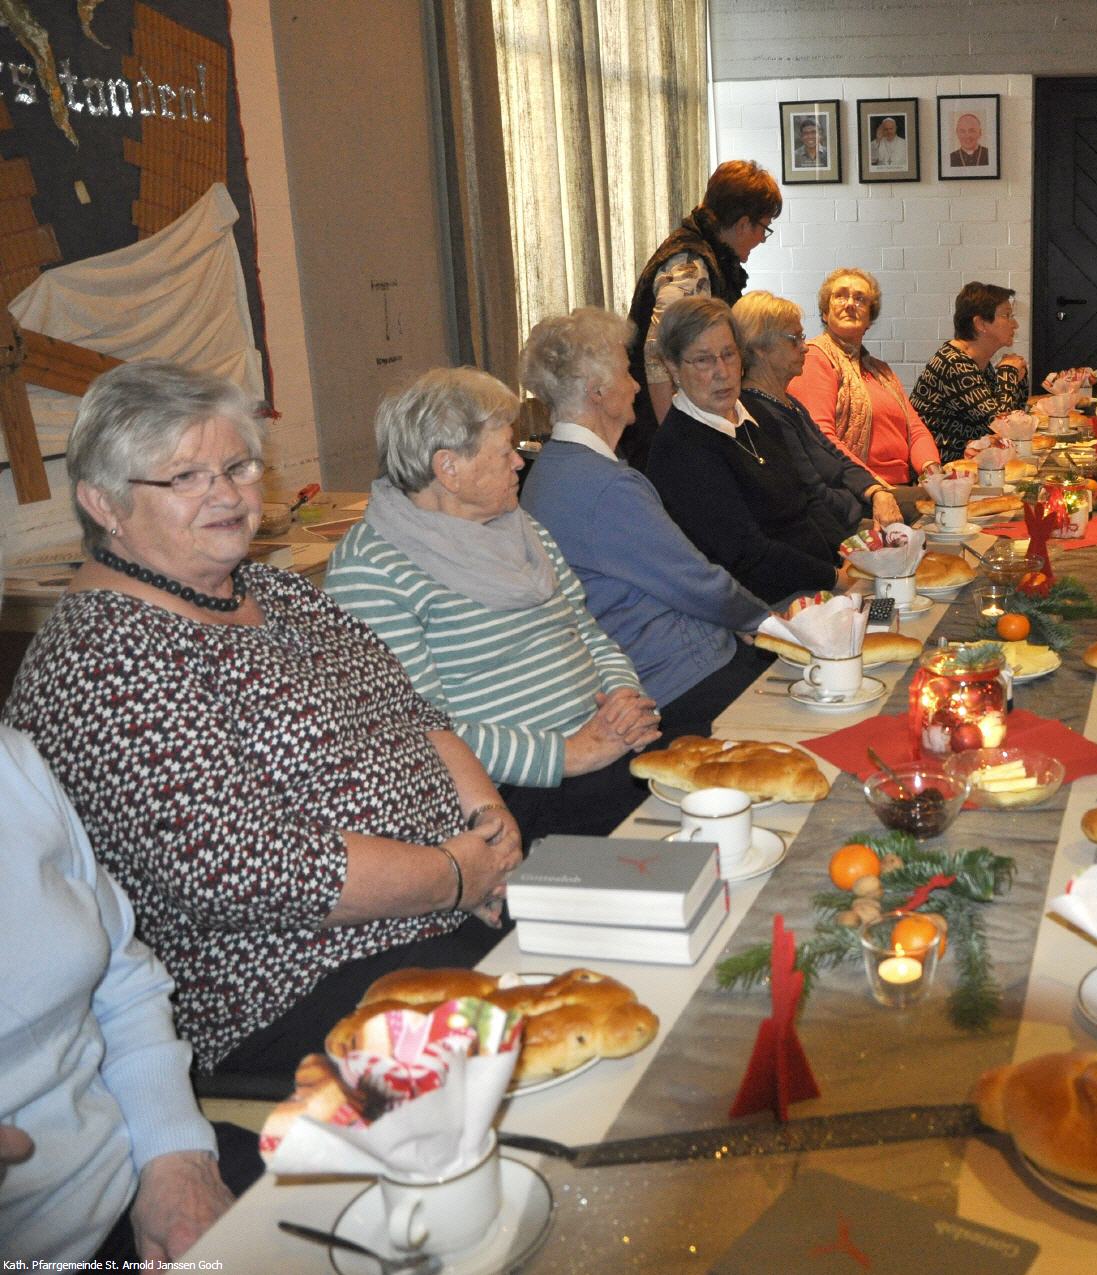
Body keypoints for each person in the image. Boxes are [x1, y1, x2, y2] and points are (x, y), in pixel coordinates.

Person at [3, 361, 524, 1077]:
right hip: (296, 986)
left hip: (449, 910)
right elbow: (244, 867)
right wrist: (453, 875)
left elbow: (413, 712)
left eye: (237, 467)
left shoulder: (276, 589)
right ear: (104, 503)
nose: (225, 494)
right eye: (185, 477)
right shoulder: (102, 656)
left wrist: (489, 822)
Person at [325, 367, 659, 840]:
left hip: (601, 750)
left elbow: (586, 632)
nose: (520, 462)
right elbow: (414, 729)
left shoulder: (519, 529)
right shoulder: (372, 570)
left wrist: (623, 698)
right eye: (505, 451)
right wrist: (567, 754)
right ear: (449, 469)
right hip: (508, 797)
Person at [0, 722, 261, 1262]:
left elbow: (121, 975)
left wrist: (175, 1153)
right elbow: (240, 872)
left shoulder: (12, 760)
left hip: (138, 1160)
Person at [518, 308, 775, 741]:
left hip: (655, 668)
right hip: (675, 679)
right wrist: (767, 622)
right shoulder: (605, 486)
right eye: (626, 372)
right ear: (598, 391)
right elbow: (695, 582)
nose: (637, 385)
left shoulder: (549, 471)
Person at [648, 297, 844, 603]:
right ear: (673, 367)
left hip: (817, 583)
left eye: (729, 354)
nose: (722, 371)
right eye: (703, 360)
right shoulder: (680, 449)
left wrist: (850, 554)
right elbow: (748, 555)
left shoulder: (755, 413)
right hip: (761, 605)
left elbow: (806, 500)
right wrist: (836, 578)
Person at [623, 160, 782, 469]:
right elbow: (656, 356)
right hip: (663, 439)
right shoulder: (690, 266)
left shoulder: (700, 252)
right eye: (764, 228)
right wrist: (675, 442)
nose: (762, 239)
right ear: (743, 224)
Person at [733, 290, 910, 537]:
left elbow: (838, 456)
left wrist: (876, 492)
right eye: (794, 339)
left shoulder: (788, 403)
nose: (805, 347)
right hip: (834, 528)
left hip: (848, 510)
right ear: (761, 347)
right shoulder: (761, 413)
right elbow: (812, 492)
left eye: (802, 337)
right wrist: (865, 509)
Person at [789, 266, 941, 486]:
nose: (850, 304)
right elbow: (820, 436)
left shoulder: (880, 370)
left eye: (860, 299)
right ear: (825, 313)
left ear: (869, 319)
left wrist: (932, 470)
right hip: (856, 490)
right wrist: (873, 486)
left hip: (899, 487)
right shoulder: (815, 357)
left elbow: (915, 430)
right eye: (840, 296)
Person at [910, 281, 1030, 462]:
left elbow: (1015, 418)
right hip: (945, 469)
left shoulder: (978, 361)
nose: (1015, 324)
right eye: (1007, 315)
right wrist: (1008, 372)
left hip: (971, 463)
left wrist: (1017, 378)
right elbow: (1002, 427)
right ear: (980, 323)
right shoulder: (953, 363)